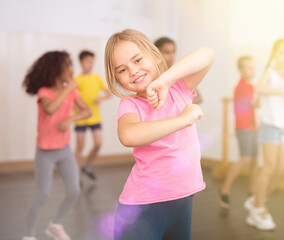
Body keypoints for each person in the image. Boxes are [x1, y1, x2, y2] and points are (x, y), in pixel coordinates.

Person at [104, 29, 214, 240]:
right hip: (142, 209)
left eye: (137, 60)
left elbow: (207, 54)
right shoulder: (131, 105)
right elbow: (128, 135)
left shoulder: (179, 90)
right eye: (122, 70)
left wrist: (165, 81)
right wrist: (181, 120)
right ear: (117, 78)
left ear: (156, 56)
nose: (133, 71)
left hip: (182, 200)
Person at [21, 51, 91, 240]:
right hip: (45, 152)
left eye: (71, 65)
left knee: (74, 190)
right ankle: (28, 236)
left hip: (64, 150)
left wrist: (70, 119)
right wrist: (68, 89)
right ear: (55, 69)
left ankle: (56, 225)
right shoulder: (45, 92)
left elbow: (87, 111)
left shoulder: (72, 92)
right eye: (67, 65)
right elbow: (50, 109)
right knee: (42, 194)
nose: (71, 69)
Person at [245, 39, 284, 231]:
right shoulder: (269, 73)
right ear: (275, 55)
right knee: (269, 168)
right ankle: (259, 208)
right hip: (270, 125)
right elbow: (259, 89)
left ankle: (257, 199)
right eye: (282, 53)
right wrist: (281, 90)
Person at [217, 56, 259, 209]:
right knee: (245, 159)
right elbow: (248, 105)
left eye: (253, 67)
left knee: (255, 160)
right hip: (244, 127)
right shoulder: (241, 87)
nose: (251, 70)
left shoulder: (252, 86)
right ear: (240, 70)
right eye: (247, 67)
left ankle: (252, 192)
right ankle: (225, 189)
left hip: (254, 127)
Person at [74, 50, 111, 180]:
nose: (90, 64)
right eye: (87, 61)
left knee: (98, 143)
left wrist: (100, 99)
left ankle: (87, 165)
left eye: (92, 62)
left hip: (95, 117)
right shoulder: (76, 80)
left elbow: (108, 93)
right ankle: (76, 174)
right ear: (81, 63)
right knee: (80, 147)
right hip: (81, 119)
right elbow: (72, 98)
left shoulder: (96, 78)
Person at [154, 36, 203, 104]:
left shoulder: (179, 73)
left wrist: (179, 103)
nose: (172, 56)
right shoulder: (153, 75)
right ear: (157, 53)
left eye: (173, 52)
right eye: (166, 52)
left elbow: (199, 98)